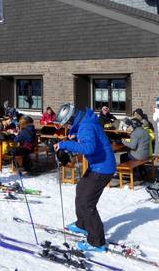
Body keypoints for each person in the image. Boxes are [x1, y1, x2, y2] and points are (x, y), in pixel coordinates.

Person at [55, 105, 116, 252]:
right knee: (81, 189)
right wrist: (74, 135)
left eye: (68, 123)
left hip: (102, 168)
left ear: (71, 118)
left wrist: (65, 144)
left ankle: (97, 242)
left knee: (87, 203)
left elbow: (88, 148)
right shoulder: (86, 121)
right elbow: (87, 136)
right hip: (98, 165)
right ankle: (82, 224)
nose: (68, 126)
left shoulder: (86, 126)